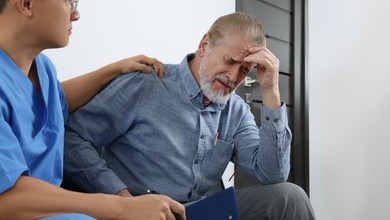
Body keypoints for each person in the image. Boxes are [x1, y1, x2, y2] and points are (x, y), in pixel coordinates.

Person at [64, 12, 316, 219]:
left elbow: (273, 175)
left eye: (245, 70)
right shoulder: (146, 84)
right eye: (229, 61)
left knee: (289, 197)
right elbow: (71, 136)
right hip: (143, 212)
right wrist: (120, 198)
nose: (233, 77)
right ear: (204, 45)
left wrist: (271, 90)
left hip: (199, 213)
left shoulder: (236, 111)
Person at [0, 0, 186, 219]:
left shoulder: (42, 68)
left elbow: (53, 103)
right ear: (27, 3)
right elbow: (6, 198)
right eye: (69, 1)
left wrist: (115, 69)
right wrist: (122, 206)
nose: (75, 14)